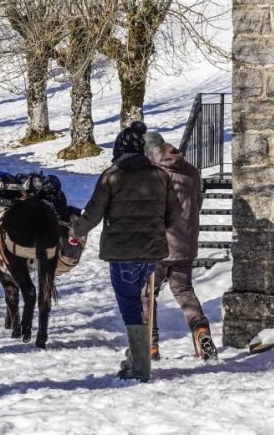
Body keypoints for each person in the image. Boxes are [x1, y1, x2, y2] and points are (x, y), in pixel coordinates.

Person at [70, 121, 182, 382]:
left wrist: (74, 231)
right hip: (151, 252)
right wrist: (155, 228)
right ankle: (135, 357)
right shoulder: (160, 176)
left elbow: (93, 215)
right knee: (138, 301)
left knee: (130, 304)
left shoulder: (112, 175)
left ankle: (140, 366)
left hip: (122, 253)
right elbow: (175, 213)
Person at [141, 132, 217, 361]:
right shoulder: (191, 170)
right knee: (184, 291)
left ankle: (150, 346)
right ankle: (200, 329)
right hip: (186, 243)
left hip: (159, 245)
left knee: (146, 294)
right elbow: (198, 203)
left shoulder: (152, 173)